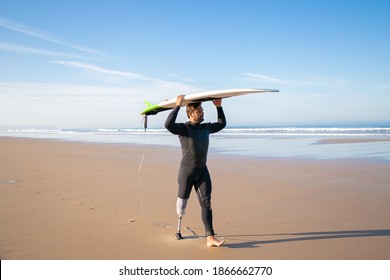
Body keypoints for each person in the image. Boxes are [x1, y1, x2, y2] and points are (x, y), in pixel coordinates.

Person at [165, 95, 226, 247]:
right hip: (186, 173)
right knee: (182, 206)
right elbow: (168, 124)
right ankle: (179, 227)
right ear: (191, 113)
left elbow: (222, 123)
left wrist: (218, 106)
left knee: (207, 202)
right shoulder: (183, 129)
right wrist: (177, 106)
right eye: (199, 110)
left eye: (203, 110)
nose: (202, 112)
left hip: (202, 172)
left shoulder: (207, 128)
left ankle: (210, 237)